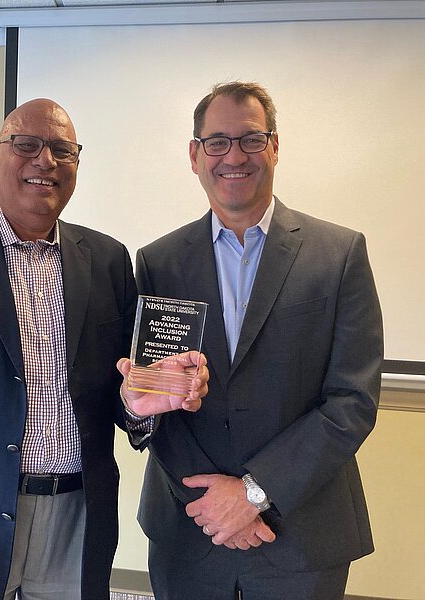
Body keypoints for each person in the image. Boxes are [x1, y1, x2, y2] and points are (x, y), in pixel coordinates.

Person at [0, 98, 208, 600]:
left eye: (62, 150)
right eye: (25, 145)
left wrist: (142, 405)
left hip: (78, 512)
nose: (44, 161)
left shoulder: (109, 260)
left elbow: (121, 390)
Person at [134, 81, 384, 599]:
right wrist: (215, 502)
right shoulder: (158, 263)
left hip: (302, 533)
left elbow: (352, 401)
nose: (234, 156)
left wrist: (253, 492)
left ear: (274, 146)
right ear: (195, 154)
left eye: (250, 139)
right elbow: (155, 400)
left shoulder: (338, 255)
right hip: (191, 526)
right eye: (217, 141)